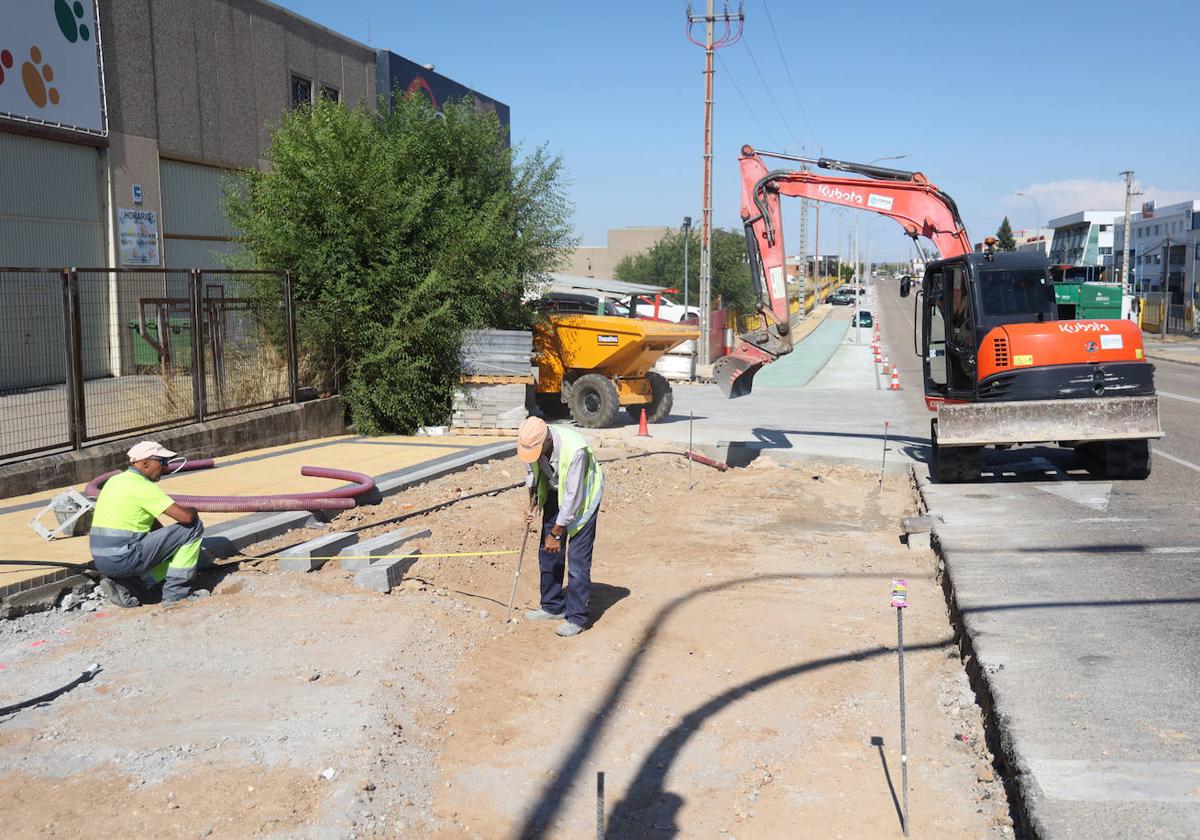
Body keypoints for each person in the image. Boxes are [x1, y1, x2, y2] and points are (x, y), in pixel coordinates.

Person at [516, 416, 605, 638]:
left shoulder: (575, 450)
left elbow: (573, 498)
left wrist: (556, 533)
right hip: (557, 491)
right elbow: (532, 475)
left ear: (546, 439)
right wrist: (532, 505)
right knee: (548, 553)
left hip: (583, 498)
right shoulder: (530, 442)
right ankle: (552, 605)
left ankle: (576, 618)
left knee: (577, 561)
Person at [89, 441, 205, 607]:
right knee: (193, 528)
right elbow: (185, 518)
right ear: (145, 463)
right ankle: (177, 595)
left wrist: (170, 545)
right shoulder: (142, 486)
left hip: (102, 561)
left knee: (173, 545)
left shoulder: (115, 481)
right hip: (124, 558)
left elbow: (152, 524)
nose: (165, 467)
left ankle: (127, 587)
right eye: (162, 462)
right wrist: (193, 510)